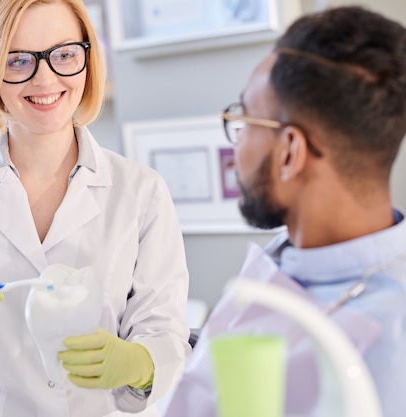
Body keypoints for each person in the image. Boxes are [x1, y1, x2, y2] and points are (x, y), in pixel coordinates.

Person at [0, 0, 191, 416]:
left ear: (87, 59)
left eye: (64, 54)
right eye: (18, 61)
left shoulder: (141, 192)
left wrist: (139, 364)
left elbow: (165, 335)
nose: (45, 78)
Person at [164, 5, 406, 417]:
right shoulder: (289, 256)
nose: (235, 148)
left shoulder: (386, 337)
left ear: (290, 152)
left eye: (243, 119)